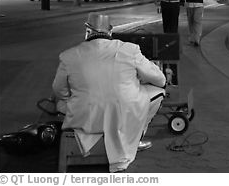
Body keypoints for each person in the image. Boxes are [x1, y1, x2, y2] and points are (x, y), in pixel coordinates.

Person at [52, 13, 166, 173]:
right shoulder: (129, 49)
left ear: (87, 31)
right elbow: (160, 80)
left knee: (61, 103)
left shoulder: (69, 55)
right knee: (159, 92)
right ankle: (135, 138)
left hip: (84, 117)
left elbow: (58, 90)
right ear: (110, 31)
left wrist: (70, 99)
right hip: (122, 114)